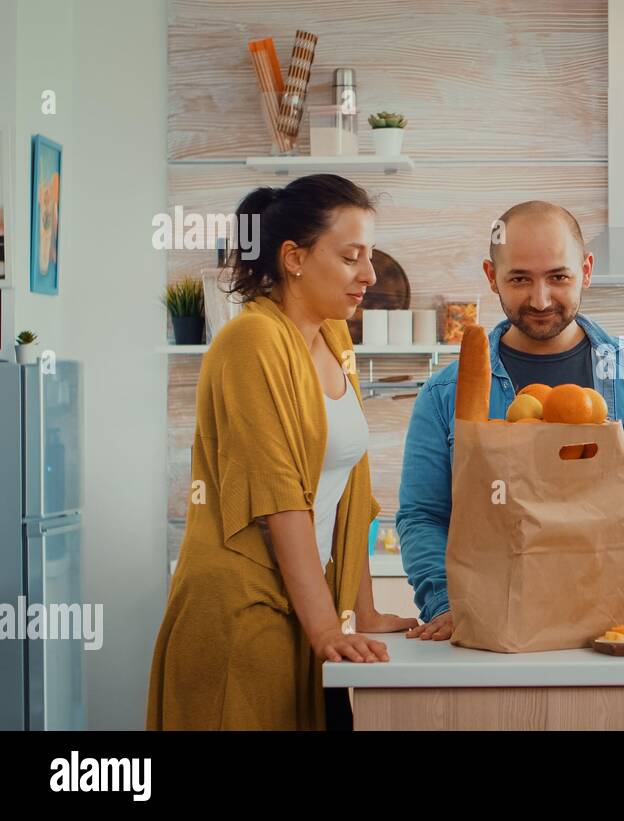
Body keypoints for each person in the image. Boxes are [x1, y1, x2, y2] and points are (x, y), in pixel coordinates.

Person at [147, 174, 416, 730]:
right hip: (244, 614)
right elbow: (280, 499)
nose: (369, 274)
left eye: (369, 256)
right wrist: (325, 631)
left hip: (303, 607)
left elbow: (351, 492)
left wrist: (361, 613)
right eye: (351, 257)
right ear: (293, 257)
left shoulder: (332, 337)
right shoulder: (251, 342)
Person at [397, 200, 624, 640]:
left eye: (558, 277)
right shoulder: (445, 395)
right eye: (520, 279)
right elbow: (423, 515)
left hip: (622, 637)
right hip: (493, 642)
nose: (540, 299)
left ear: (587, 269)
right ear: (491, 277)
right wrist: (447, 605)